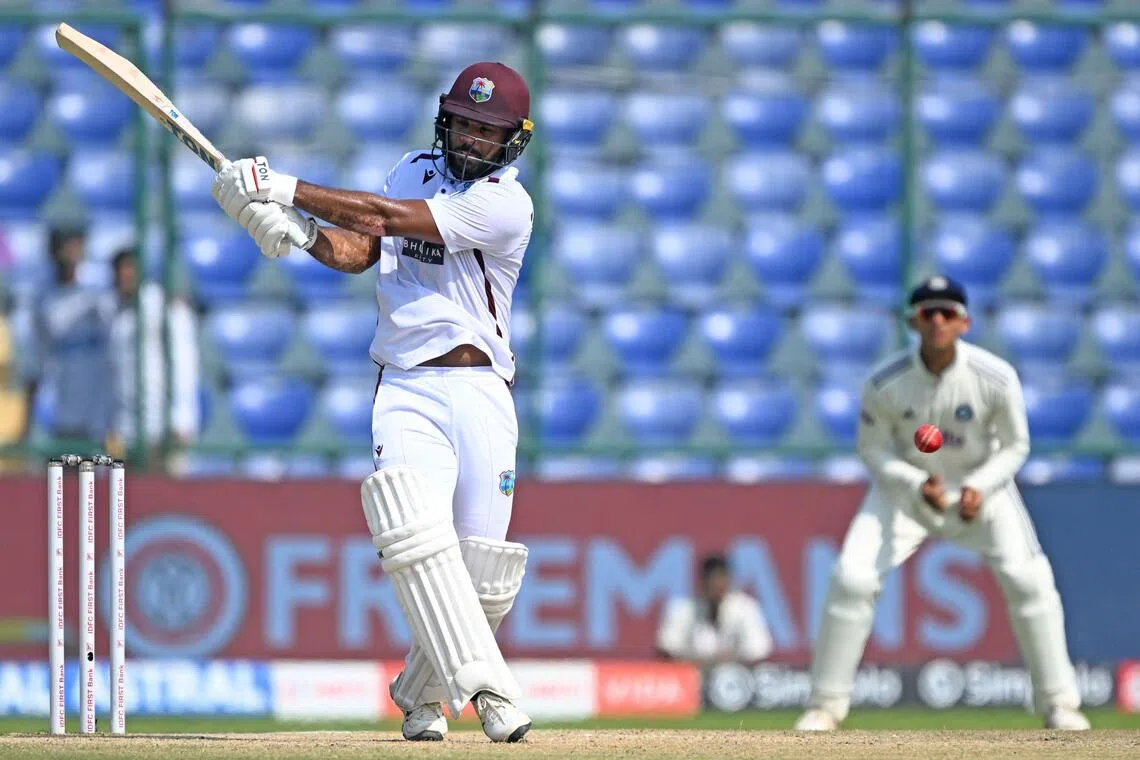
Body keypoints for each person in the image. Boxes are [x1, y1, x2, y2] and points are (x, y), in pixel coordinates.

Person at [210, 62, 535, 743]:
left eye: (490, 130)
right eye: (467, 124)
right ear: (447, 119)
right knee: (414, 532)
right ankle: (488, 691)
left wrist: (284, 186)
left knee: (484, 571)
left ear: (513, 140)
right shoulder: (411, 167)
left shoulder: (507, 203)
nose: (475, 140)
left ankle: (418, 692)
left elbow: (389, 217)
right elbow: (365, 247)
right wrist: (300, 234)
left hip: (481, 389)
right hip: (407, 385)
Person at [794, 276, 1090, 732]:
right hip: (907, 495)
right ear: (912, 320)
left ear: (965, 322)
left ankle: (1060, 705)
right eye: (928, 312)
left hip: (982, 493)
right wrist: (915, 484)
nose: (937, 321)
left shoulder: (995, 378)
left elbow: (1016, 446)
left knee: (1028, 579)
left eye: (947, 313)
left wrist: (980, 486)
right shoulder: (885, 382)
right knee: (851, 579)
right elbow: (873, 450)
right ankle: (824, 707)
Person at [16, 225, 115, 446]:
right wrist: (26, 423)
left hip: (102, 414)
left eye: (74, 247)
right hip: (62, 416)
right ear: (53, 253)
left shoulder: (100, 295)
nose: (70, 254)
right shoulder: (44, 301)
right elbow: (36, 366)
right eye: (63, 248)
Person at [107, 247, 200, 463]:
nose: (126, 275)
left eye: (131, 267)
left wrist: (182, 418)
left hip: (164, 428)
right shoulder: (115, 314)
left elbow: (184, 364)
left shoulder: (163, 307)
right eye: (121, 269)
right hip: (126, 430)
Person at [657, 554, 773, 667]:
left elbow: (759, 653)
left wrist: (724, 665)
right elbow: (666, 650)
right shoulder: (683, 609)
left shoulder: (746, 608)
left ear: (729, 581)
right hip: (692, 679)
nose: (717, 585)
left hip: (737, 681)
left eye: (721, 578)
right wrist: (704, 665)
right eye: (712, 579)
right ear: (703, 581)